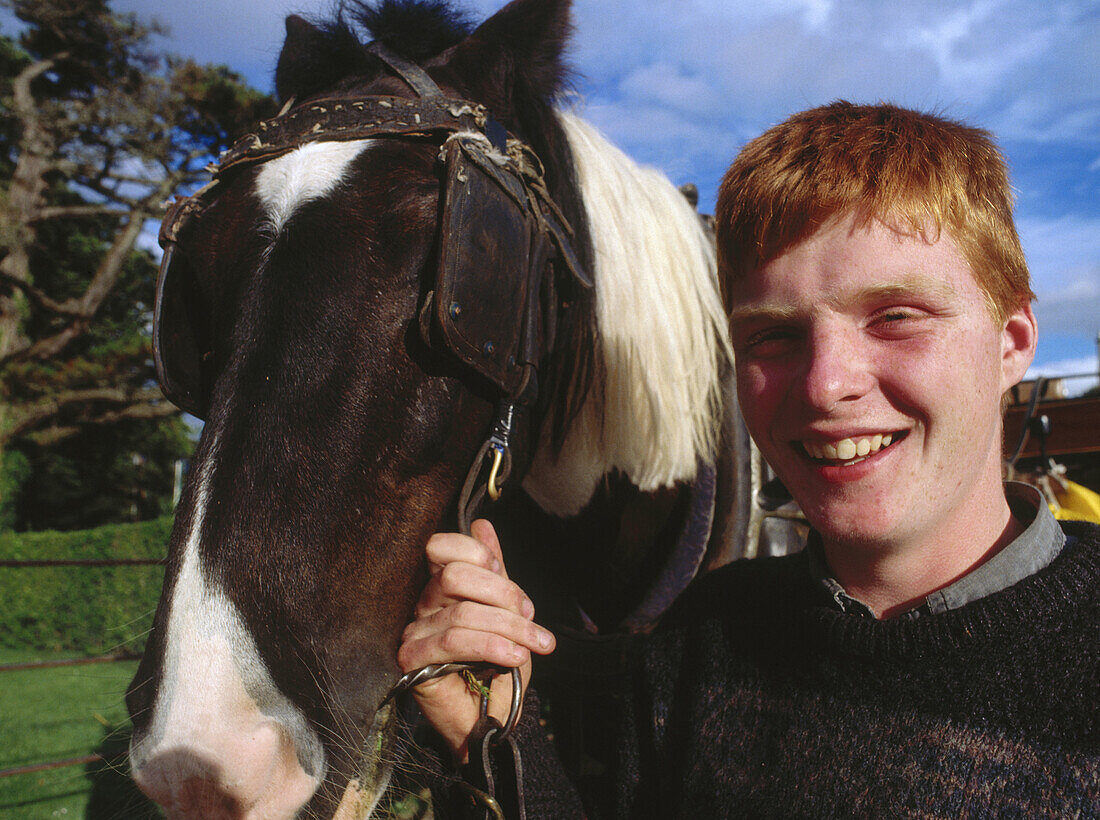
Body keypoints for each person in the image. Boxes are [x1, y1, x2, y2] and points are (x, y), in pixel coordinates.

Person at [397, 101, 1100, 817]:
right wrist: (480, 731)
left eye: (895, 317)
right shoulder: (703, 640)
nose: (826, 385)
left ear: (1012, 342)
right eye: (773, 336)